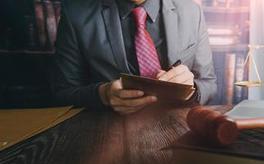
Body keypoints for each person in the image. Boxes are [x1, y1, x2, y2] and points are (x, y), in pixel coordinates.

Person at [51, 0, 217, 114]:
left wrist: (191, 90)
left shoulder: (192, 12)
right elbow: (63, 94)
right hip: (107, 133)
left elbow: (209, 83)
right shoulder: (75, 15)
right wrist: (102, 95)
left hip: (179, 131)